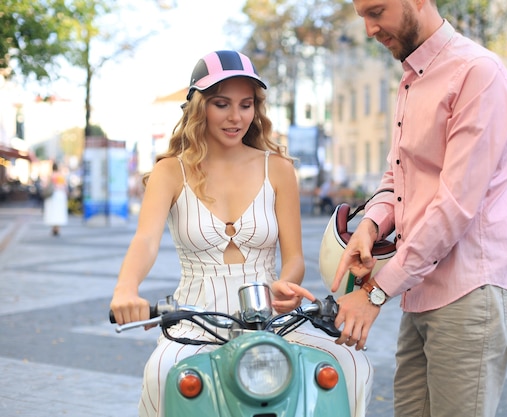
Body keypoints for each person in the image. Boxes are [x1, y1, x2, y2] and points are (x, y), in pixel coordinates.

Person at [109, 50, 372, 417]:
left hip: (271, 319)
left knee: (351, 364)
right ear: (200, 107)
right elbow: (146, 240)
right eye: (222, 104)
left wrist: (285, 286)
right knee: (160, 374)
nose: (236, 117)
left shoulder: (278, 169)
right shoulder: (171, 172)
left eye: (246, 105)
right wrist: (125, 290)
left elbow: (294, 257)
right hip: (196, 319)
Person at [330, 2, 507, 417]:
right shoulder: (411, 79)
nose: (369, 29)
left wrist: (374, 293)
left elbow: (454, 205)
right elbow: (395, 178)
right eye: (362, 15)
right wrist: (370, 226)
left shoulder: (478, 74)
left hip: (469, 293)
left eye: (377, 11)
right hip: (418, 291)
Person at [43, 162, 68, 236]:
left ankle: (54, 228)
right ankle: (57, 228)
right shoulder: (61, 176)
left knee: (52, 212)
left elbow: (46, 186)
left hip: (52, 196)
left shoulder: (50, 176)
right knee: (59, 211)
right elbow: (64, 186)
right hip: (60, 195)